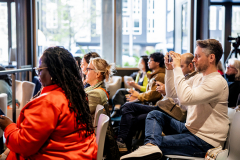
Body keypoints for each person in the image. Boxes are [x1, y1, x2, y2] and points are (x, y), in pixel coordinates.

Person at [121, 39, 229, 160]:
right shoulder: (199, 78)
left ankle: (150, 146)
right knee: (155, 114)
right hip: (190, 129)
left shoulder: (217, 82)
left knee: (157, 144)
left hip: (205, 142)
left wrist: (177, 67)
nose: (194, 60)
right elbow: (172, 93)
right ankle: (150, 145)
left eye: (198, 56)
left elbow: (185, 99)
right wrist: (170, 69)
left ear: (211, 58)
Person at [0, 47, 97, 160]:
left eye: (40, 69)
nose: (38, 75)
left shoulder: (48, 102)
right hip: (78, 153)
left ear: (52, 71)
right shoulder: (75, 95)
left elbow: (24, 144)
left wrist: (8, 126)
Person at [117, 53, 197, 152]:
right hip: (165, 107)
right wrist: (165, 92)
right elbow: (172, 96)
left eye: (181, 66)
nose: (178, 69)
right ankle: (123, 144)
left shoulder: (191, 79)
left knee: (132, 114)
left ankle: (124, 145)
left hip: (169, 111)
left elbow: (182, 101)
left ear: (190, 66)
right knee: (128, 107)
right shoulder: (182, 77)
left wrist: (139, 95)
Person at [84, 57, 120, 160]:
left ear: (97, 74)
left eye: (88, 69)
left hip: (87, 138)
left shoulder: (96, 93)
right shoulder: (93, 90)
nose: (85, 72)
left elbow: (76, 112)